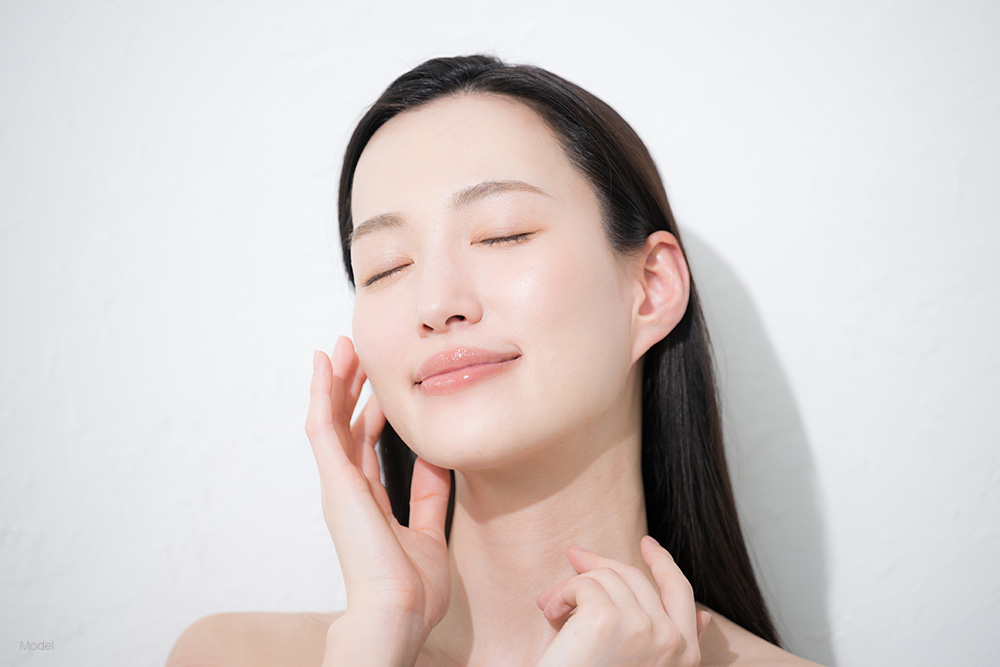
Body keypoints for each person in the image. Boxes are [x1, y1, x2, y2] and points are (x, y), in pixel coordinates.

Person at [167, 54, 823, 666]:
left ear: (651, 287)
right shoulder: (232, 653)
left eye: (504, 232)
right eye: (385, 265)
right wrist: (378, 634)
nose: (435, 302)